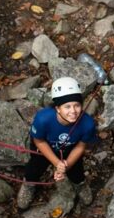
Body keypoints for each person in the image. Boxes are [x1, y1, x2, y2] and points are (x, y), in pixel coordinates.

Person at [17, 76, 96, 209]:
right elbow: (39, 141)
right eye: (67, 106)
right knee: (34, 168)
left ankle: (80, 184)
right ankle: (29, 185)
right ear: (58, 108)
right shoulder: (43, 119)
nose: (73, 111)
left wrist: (66, 164)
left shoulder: (87, 124)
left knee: (77, 171)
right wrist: (57, 163)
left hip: (70, 149)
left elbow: (81, 146)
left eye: (77, 105)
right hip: (45, 146)